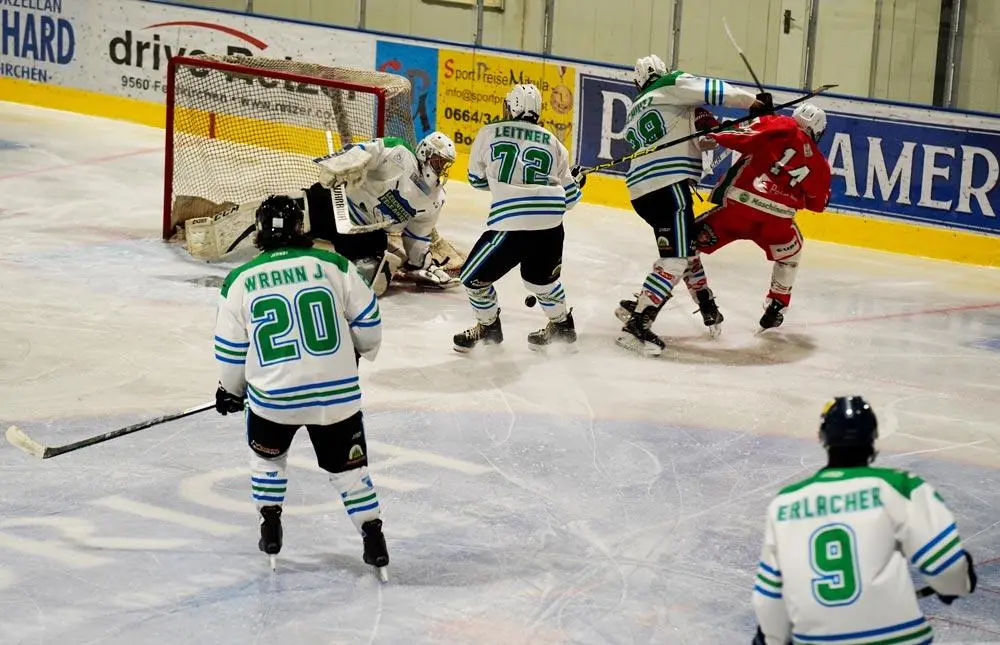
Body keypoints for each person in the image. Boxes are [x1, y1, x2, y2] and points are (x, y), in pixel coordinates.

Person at [212, 195, 389, 580]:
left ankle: (270, 525)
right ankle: (373, 537)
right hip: (337, 397)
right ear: (302, 227)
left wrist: (231, 390)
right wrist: (361, 350)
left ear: (259, 233)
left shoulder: (239, 281)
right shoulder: (334, 264)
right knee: (350, 472)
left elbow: (231, 353)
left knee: (267, 459)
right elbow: (370, 323)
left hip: (275, 400)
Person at [751, 396, 977, 645]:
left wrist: (773, 639)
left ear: (823, 438)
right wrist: (958, 582)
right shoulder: (900, 487)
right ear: (873, 437)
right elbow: (948, 569)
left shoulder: (785, 504)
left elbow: (769, 599)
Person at [615, 54, 768, 357]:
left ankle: (704, 304)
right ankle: (639, 323)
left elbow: (703, 139)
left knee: (683, 251)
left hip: (640, 191)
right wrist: (752, 103)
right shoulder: (670, 84)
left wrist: (709, 128)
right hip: (669, 185)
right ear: (662, 73)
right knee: (675, 259)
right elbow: (713, 89)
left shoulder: (637, 107)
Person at [452, 83, 584, 353]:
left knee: (472, 278)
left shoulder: (489, 132)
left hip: (512, 224)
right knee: (540, 281)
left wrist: (504, 180)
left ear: (510, 107)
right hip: (551, 226)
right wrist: (578, 183)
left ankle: (489, 328)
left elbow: (476, 180)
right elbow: (570, 199)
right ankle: (562, 325)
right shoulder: (555, 143)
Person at [695, 103, 831, 332]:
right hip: (777, 222)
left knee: (686, 245)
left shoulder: (780, 124)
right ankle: (777, 305)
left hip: (738, 209)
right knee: (791, 252)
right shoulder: (820, 163)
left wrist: (713, 129)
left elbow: (740, 137)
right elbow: (818, 205)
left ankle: (703, 300)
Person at [311, 130, 460, 293]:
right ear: (425, 152)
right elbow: (365, 150)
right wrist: (340, 163)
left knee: (375, 280)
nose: (441, 168)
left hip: (364, 231)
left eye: (444, 164)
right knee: (290, 215)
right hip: (335, 204)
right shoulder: (398, 152)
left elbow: (418, 234)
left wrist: (421, 264)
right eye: (438, 162)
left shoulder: (435, 198)